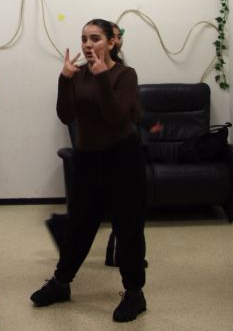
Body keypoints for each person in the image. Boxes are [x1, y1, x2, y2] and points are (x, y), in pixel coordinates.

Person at [30, 18, 147, 323]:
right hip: (87, 158)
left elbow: (114, 115)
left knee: (128, 228)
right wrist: (64, 79)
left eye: (95, 38)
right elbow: (65, 114)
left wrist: (103, 77)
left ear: (112, 42)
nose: (87, 44)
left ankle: (134, 293)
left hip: (122, 157)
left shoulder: (125, 75)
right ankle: (61, 283)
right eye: (84, 38)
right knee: (79, 225)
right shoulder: (79, 73)